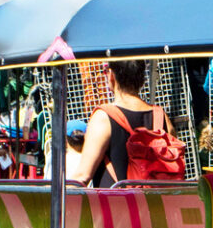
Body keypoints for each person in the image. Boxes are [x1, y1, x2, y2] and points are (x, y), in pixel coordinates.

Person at [70, 60, 174, 188]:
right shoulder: (161, 116)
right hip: (154, 204)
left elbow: (83, 176)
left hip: (114, 205)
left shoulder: (103, 116)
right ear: (142, 78)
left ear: (111, 75)